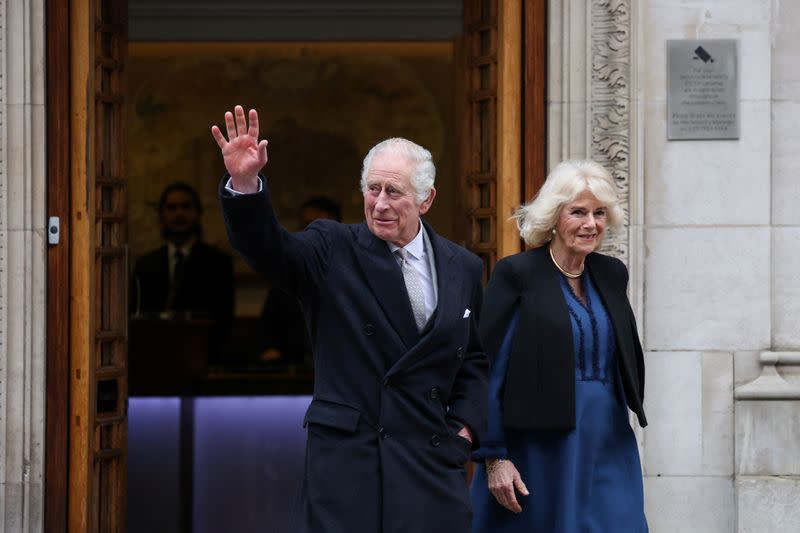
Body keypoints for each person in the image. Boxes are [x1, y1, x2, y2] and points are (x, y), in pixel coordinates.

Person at [212, 105, 488, 533]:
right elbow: (272, 253)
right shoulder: (331, 248)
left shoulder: (463, 267)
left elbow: (472, 359)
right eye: (371, 189)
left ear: (426, 199)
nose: (379, 204)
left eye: (393, 192)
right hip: (350, 466)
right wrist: (246, 185)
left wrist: (463, 431)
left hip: (429, 464)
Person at [469, 159, 648, 532]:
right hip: (540, 447)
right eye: (578, 212)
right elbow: (488, 369)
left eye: (599, 213)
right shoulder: (518, 274)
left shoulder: (612, 274)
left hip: (608, 440)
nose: (591, 224)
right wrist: (494, 457)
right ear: (554, 216)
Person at [131, 182, 234, 355]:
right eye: (172, 208)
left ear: (197, 213)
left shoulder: (218, 264)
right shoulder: (145, 264)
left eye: (186, 206)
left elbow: (222, 322)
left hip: (201, 356)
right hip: (153, 356)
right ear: (162, 215)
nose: (179, 213)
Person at [258, 196, 342, 365]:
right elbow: (269, 324)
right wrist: (270, 349)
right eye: (307, 226)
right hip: (291, 367)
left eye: (322, 228)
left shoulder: (352, 273)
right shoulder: (286, 273)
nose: (313, 235)